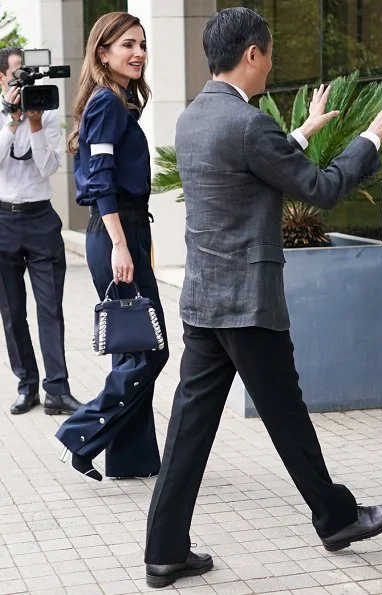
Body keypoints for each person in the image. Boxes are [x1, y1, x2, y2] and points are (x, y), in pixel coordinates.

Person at [143, 7, 382, 589]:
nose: (272, 65)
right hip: (247, 301)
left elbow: (246, 166)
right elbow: (320, 188)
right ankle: (338, 517)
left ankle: (164, 550)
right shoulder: (247, 125)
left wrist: (304, 130)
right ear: (251, 54)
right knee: (288, 418)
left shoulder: (194, 117)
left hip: (205, 301)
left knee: (189, 431)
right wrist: (373, 136)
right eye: (269, 54)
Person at [55, 12, 169, 482]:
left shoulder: (117, 104)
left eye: (141, 44)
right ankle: (79, 434)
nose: (138, 52)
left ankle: (133, 459)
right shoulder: (106, 103)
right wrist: (122, 245)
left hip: (127, 230)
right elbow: (100, 181)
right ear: (103, 52)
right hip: (116, 233)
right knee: (150, 351)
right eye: (127, 44)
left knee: (133, 349)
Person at [0, 47, 82, 417]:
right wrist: (11, 121)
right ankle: (26, 385)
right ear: (2, 79)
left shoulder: (45, 110)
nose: (25, 82)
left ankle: (57, 390)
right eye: (17, 75)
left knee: (51, 309)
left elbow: (48, 166)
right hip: (3, 221)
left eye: (28, 74)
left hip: (40, 219)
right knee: (12, 311)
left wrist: (33, 124)